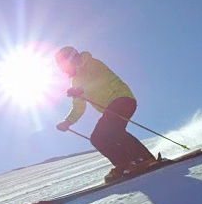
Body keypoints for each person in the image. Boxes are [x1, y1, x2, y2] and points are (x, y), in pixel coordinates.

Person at [54, 46, 156, 182]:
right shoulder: (75, 81)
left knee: (112, 129)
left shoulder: (92, 63)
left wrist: (80, 89)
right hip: (110, 108)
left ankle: (144, 158)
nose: (65, 68)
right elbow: (78, 106)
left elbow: (98, 79)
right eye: (62, 66)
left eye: (65, 64)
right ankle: (124, 163)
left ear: (72, 58)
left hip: (122, 99)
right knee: (97, 138)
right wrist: (68, 122)